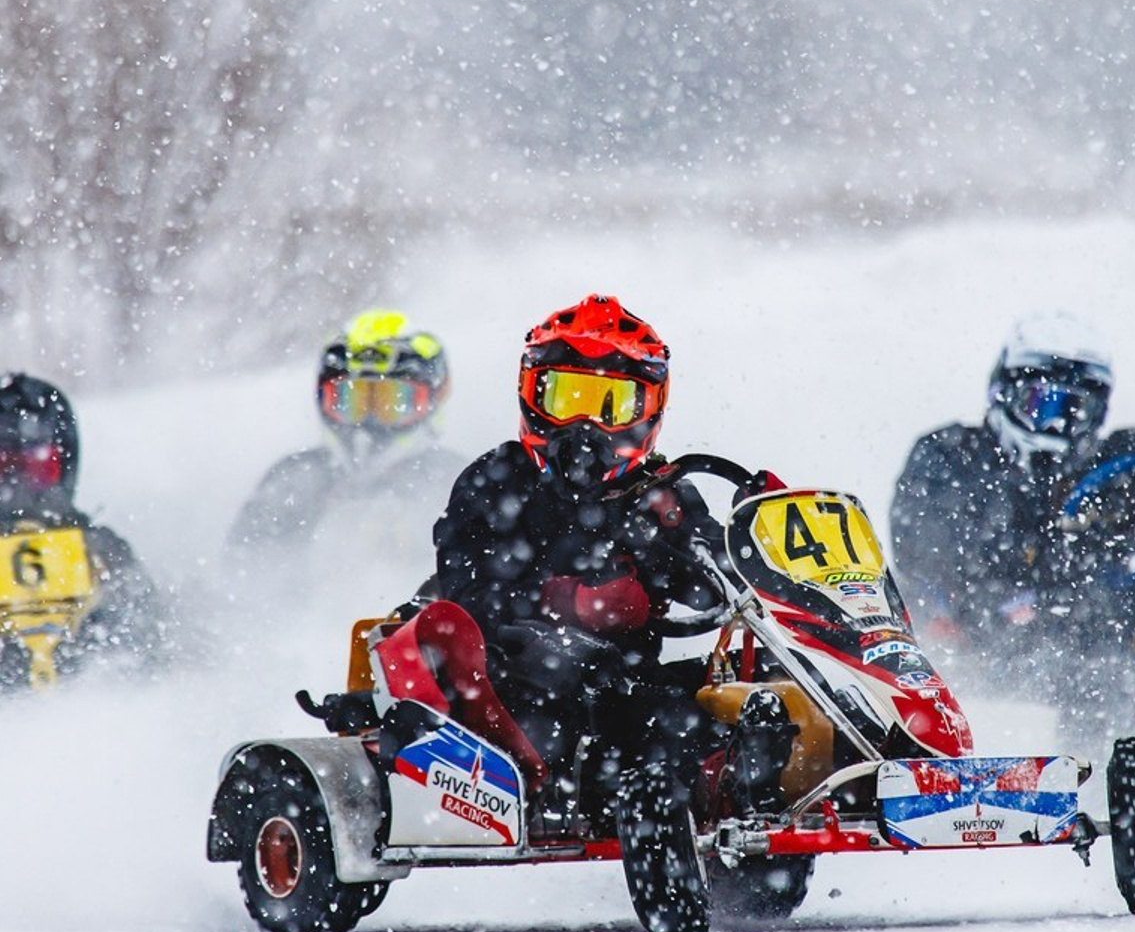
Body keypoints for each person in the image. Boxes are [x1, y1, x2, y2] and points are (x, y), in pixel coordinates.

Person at [398, 294, 750, 816]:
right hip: (515, 691)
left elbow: (714, 585)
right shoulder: (495, 482)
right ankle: (643, 805)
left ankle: (767, 790)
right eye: (564, 399)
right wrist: (575, 603)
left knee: (739, 697)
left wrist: (747, 541)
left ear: (648, 408)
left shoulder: (662, 494)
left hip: (626, 687)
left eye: (610, 405)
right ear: (531, 394)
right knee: (615, 696)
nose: (585, 427)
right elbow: (469, 594)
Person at [889, 311, 1135, 747]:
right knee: (1093, 667)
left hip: (1107, 635)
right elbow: (928, 556)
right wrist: (1050, 580)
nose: (1058, 427)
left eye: (1076, 411)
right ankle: (1104, 771)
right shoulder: (951, 459)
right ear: (1003, 394)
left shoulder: (1117, 465)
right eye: (1042, 405)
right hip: (985, 642)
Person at [228, 310, 464, 552]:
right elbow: (239, 572)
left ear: (435, 399)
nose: (370, 426)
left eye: (392, 403)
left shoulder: (458, 488)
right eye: (351, 401)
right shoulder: (294, 482)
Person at [0, 372, 168, 686]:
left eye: (34, 469)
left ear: (62, 464)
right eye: (3, 470)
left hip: (97, 711)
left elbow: (156, 656)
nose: (14, 488)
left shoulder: (103, 551)